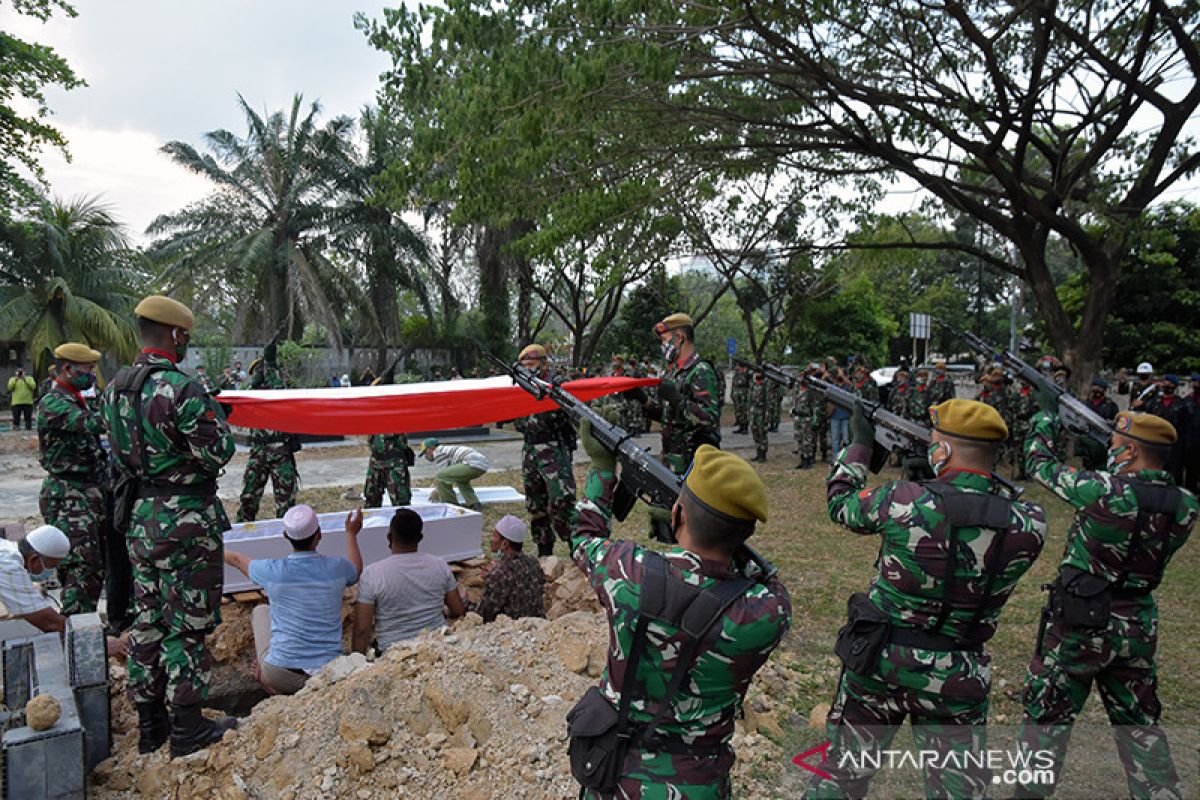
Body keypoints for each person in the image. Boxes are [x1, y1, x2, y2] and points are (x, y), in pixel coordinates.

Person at [807, 399, 1047, 798]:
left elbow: (840, 503)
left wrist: (860, 446)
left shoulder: (903, 499)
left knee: (840, 778)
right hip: (959, 672)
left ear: (941, 452)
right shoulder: (1030, 522)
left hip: (881, 664)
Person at [569, 423, 790, 799]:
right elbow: (762, 574)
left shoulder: (628, 572)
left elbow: (584, 538)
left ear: (677, 514)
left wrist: (603, 467)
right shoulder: (769, 611)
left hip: (616, 778)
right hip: (701, 784)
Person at [1017, 405, 1198, 798]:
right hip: (1137, 625)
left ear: (1130, 452)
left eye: (1115, 444)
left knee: (1046, 724)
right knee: (1140, 727)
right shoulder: (1185, 504)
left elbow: (1040, 463)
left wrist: (1046, 417)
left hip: (1080, 624)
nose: (1110, 449)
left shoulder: (1105, 491)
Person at [101, 295, 238, 757]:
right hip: (185, 524)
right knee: (187, 625)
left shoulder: (115, 388)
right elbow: (217, 452)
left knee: (149, 620)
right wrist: (216, 418)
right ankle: (187, 727)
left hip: (140, 523)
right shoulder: (181, 389)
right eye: (186, 336)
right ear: (176, 335)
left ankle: (149, 725)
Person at [224, 506, 363, 695]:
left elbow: (237, 559)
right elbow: (356, 569)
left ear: (285, 535)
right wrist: (351, 534)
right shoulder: (337, 568)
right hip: (328, 673)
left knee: (261, 611)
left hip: (280, 674)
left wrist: (204, 544)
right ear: (319, 535)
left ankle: (272, 687)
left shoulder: (273, 571)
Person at [36, 342, 108, 615]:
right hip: (68, 494)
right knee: (80, 565)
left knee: (92, 566)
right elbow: (94, 424)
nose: (91, 375)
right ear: (67, 369)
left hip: (85, 492)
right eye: (88, 369)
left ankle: (84, 625)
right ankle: (75, 631)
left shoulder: (74, 398)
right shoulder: (53, 403)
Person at [636, 313, 721, 540]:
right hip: (671, 459)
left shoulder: (701, 371)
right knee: (669, 527)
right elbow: (668, 416)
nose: (663, 346)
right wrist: (642, 400)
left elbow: (708, 417)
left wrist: (679, 400)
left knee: (691, 528)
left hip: (693, 462)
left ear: (680, 337)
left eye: (665, 340)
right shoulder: (673, 371)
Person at [352, 509, 465, 653]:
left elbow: (362, 630)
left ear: (389, 537)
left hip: (393, 655)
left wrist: (356, 661)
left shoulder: (373, 574)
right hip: (437, 648)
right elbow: (458, 610)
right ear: (420, 537)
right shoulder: (440, 566)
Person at [0, 524, 127, 653]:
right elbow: (50, 622)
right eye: (51, 566)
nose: (50, 572)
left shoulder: (6, 550)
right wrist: (99, 642)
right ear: (34, 559)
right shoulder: (9, 567)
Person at [513, 344, 577, 556]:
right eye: (524, 366)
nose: (527, 369)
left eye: (531, 365)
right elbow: (518, 421)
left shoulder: (557, 385)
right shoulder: (521, 387)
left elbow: (569, 413)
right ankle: (544, 554)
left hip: (553, 449)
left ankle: (577, 551)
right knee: (535, 504)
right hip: (530, 448)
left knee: (561, 502)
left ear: (544, 364)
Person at [236, 350, 300, 522]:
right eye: (258, 373)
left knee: (286, 501)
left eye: (263, 371)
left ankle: (289, 536)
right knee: (248, 497)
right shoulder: (251, 394)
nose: (260, 375)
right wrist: (256, 386)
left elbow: (280, 392)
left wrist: (271, 369)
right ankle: (242, 533)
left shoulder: (279, 391)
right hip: (258, 452)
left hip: (280, 452)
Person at [472, 514, 545, 622]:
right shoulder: (533, 562)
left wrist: (465, 602)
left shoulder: (498, 574)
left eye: (494, 536)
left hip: (513, 631)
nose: (491, 539)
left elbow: (484, 615)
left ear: (505, 544)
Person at [419, 438, 488, 510]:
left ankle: (451, 505)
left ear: (431, 449)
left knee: (440, 477)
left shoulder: (438, 452)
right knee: (461, 480)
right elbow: (448, 475)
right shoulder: (445, 450)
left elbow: (442, 476)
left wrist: (436, 491)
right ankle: (474, 503)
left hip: (472, 463)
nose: (425, 457)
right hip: (481, 464)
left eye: (425, 453)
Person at [1144, 375, 1189, 483]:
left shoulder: (1181, 404)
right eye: (1165, 382)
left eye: (1170, 383)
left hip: (1174, 447)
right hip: (1155, 445)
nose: (1166, 385)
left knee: (1173, 475)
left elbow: (1185, 428)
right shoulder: (1154, 403)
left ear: (1174, 386)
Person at [363, 432, 413, 508]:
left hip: (395, 464)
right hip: (375, 463)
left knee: (400, 500)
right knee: (371, 498)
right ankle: (372, 519)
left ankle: (402, 519)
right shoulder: (372, 421)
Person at [791, 367, 820, 470]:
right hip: (798, 418)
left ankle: (808, 460)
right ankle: (802, 459)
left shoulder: (811, 393)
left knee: (807, 441)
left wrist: (815, 421)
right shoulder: (798, 391)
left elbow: (815, 408)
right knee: (799, 440)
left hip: (806, 419)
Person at [749, 370, 770, 462]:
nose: (756, 375)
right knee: (755, 432)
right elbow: (750, 399)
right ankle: (758, 452)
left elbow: (768, 403)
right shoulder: (753, 385)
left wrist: (767, 416)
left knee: (762, 433)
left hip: (762, 413)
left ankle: (763, 454)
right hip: (754, 412)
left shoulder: (765, 387)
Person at [8, 365, 36, 430]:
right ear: (15, 372)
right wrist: (16, 379)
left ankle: (28, 429)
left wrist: (25, 379)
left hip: (28, 402)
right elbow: (10, 388)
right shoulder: (12, 379)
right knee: (16, 418)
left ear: (24, 372)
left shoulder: (29, 378)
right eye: (18, 371)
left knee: (28, 419)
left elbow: (33, 387)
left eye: (21, 371)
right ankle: (16, 428)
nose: (20, 373)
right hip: (16, 402)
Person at [731, 360, 751, 435]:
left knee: (744, 411)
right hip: (737, 394)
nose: (736, 367)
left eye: (738, 365)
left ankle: (745, 428)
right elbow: (734, 384)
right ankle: (740, 426)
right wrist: (732, 394)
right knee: (738, 411)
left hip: (743, 394)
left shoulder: (747, 373)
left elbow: (749, 383)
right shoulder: (737, 373)